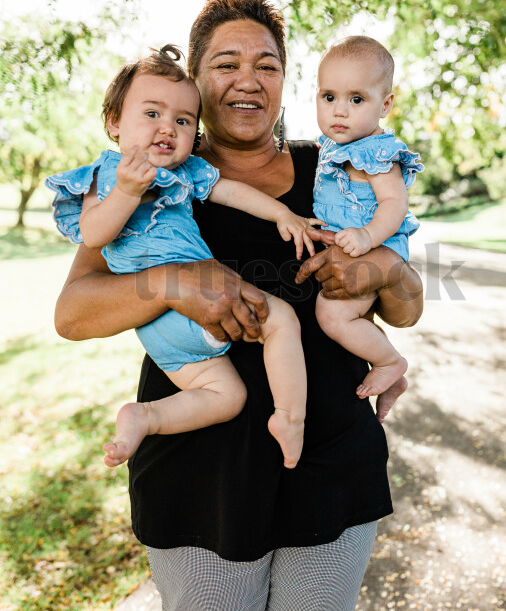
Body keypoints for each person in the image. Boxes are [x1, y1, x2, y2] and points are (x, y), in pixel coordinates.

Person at [53, 0, 424, 611]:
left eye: (267, 64)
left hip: (330, 475)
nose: (247, 79)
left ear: (288, 80)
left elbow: (408, 305)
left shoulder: (339, 165)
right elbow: (72, 313)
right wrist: (169, 282)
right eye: (226, 63)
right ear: (195, 80)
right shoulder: (148, 179)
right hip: (201, 484)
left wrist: (382, 272)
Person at [46, 46, 323, 469]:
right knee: (280, 319)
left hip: (189, 343)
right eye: (152, 114)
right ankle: (291, 417)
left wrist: (282, 213)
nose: (167, 129)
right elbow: (94, 233)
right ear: (114, 122)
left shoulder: (186, 172)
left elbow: (232, 192)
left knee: (227, 397)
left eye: (182, 120)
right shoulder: (102, 176)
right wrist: (127, 191)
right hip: (163, 321)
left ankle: (146, 415)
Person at [313, 36, 424, 416]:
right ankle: (392, 374)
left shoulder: (374, 151)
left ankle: (390, 363)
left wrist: (368, 236)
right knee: (352, 317)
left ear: (385, 105)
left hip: (379, 246)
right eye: (328, 97)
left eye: (356, 99)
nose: (339, 111)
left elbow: (395, 203)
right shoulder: (329, 147)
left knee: (333, 315)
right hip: (357, 245)